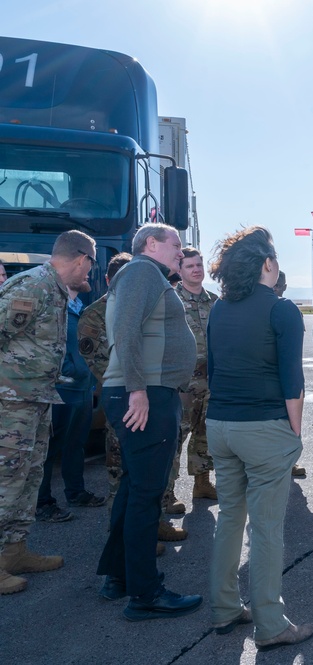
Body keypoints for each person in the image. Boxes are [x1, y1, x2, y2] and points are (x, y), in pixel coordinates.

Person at [205, 226, 313, 649]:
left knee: (230, 518)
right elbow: (293, 382)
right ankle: (270, 626)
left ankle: (225, 608)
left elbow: (213, 371)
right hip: (264, 429)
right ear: (268, 263)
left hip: (221, 425)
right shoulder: (281, 309)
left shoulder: (218, 309)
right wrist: (296, 435)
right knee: (267, 530)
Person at [96, 222, 202, 621]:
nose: (181, 251)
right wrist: (139, 390)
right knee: (146, 493)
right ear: (152, 244)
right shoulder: (142, 270)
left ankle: (119, 576)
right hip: (146, 395)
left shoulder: (145, 274)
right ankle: (145, 593)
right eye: (176, 245)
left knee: (133, 485)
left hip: (146, 391)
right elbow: (125, 330)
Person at [0, 230, 96, 595]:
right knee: (5, 481)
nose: (89, 274)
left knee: (26, 478)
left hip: (36, 400)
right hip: (11, 403)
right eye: (89, 265)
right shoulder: (33, 287)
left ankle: (14, 551)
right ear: (80, 259)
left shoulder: (54, 290)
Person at [79, 254, 184, 546]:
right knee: (122, 474)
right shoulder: (95, 313)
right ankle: (125, 538)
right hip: (127, 399)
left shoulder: (143, 302)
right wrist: (130, 382)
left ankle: (151, 524)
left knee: (149, 475)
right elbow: (97, 358)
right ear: (111, 281)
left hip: (145, 395)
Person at [36, 281, 104, 523]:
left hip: (82, 389)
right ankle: (42, 502)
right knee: (48, 449)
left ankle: (76, 493)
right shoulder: (52, 306)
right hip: (61, 389)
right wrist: (65, 371)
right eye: (85, 267)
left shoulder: (80, 307)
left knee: (76, 444)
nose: (88, 274)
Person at [166, 247, 218, 505]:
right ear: (180, 270)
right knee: (176, 436)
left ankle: (202, 482)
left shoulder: (216, 301)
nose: (196, 269)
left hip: (211, 380)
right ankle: (168, 493)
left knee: (205, 433)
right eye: (190, 266)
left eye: (199, 265)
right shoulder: (170, 300)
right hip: (182, 383)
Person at [272, 271, 306, 478]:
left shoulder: (288, 309)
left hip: (288, 374)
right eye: (273, 285)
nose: (275, 289)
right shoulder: (261, 309)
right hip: (268, 377)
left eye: (279, 286)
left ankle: (290, 461)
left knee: (291, 420)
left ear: (284, 287)